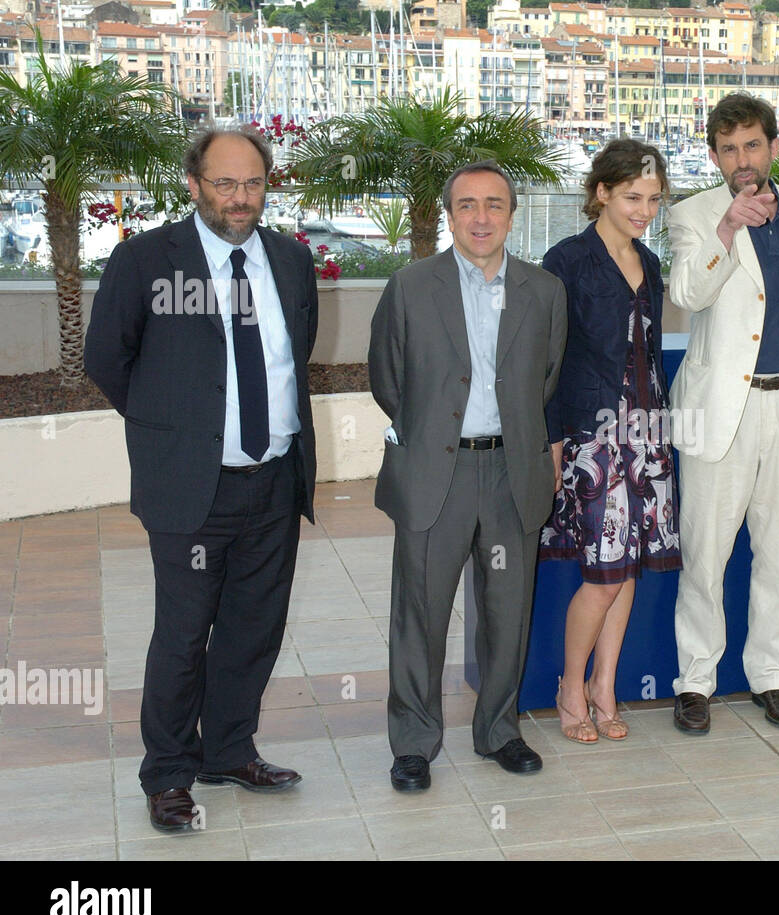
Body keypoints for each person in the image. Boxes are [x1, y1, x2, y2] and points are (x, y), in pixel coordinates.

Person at [85, 127, 319, 833]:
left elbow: (291, 354)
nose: (241, 198)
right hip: (192, 489)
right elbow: (107, 359)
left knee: (254, 628)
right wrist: (175, 430)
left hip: (273, 480)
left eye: (253, 183)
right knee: (184, 635)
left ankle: (230, 749)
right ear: (193, 184)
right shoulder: (147, 260)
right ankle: (168, 775)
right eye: (225, 183)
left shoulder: (290, 260)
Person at [370, 160, 567, 790]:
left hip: (512, 472)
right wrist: (430, 436)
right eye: (467, 206)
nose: (481, 218)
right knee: (419, 614)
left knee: (508, 611)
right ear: (450, 215)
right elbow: (388, 378)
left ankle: (500, 731)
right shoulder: (409, 285)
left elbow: (547, 378)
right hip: (437, 475)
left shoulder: (545, 290)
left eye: (494, 205)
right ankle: (414, 743)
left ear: (512, 215)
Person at [667, 93, 779, 733]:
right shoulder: (692, 216)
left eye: (753, 145)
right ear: (715, 156)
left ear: (773, 145)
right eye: (729, 149)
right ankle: (694, 681)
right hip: (721, 415)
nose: (743, 160)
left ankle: (772, 675)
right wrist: (728, 228)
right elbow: (687, 294)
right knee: (705, 555)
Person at [539, 139, 681, 744]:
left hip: (647, 437)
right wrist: (551, 444)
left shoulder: (650, 263)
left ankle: (604, 687)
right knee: (602, 573)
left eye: (653, 199)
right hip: (589, 440)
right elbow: (544, 360)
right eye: (632, 197)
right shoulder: (565, 260)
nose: (644, 209)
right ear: (601, 192)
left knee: (626, 571)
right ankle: (571, 687)